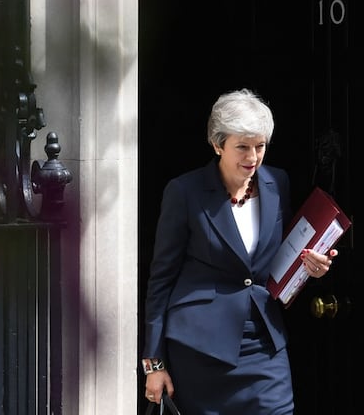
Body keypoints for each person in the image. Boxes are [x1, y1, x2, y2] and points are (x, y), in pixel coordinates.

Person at [141, 88, 337, 415]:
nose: (252, 157)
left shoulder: (278, 183)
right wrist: (154, 364)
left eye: (260, 146)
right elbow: (160, 282)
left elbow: (280, 260)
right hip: (200, 351)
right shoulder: (184, 192)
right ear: (218, 145)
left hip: (264, 343)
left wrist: (311, 268)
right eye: (242, 147)